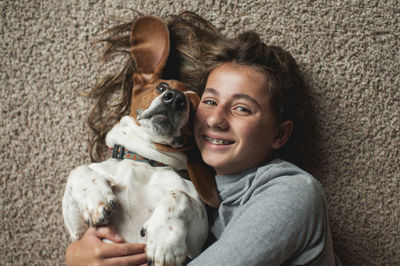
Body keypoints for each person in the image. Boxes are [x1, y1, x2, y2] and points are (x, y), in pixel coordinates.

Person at [65, 12, 341, 266]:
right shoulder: (199, 196)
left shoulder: (291, 191)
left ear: (279, 134)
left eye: (241, 108)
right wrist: (77, 253)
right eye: (209, 101)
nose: (215, 119)